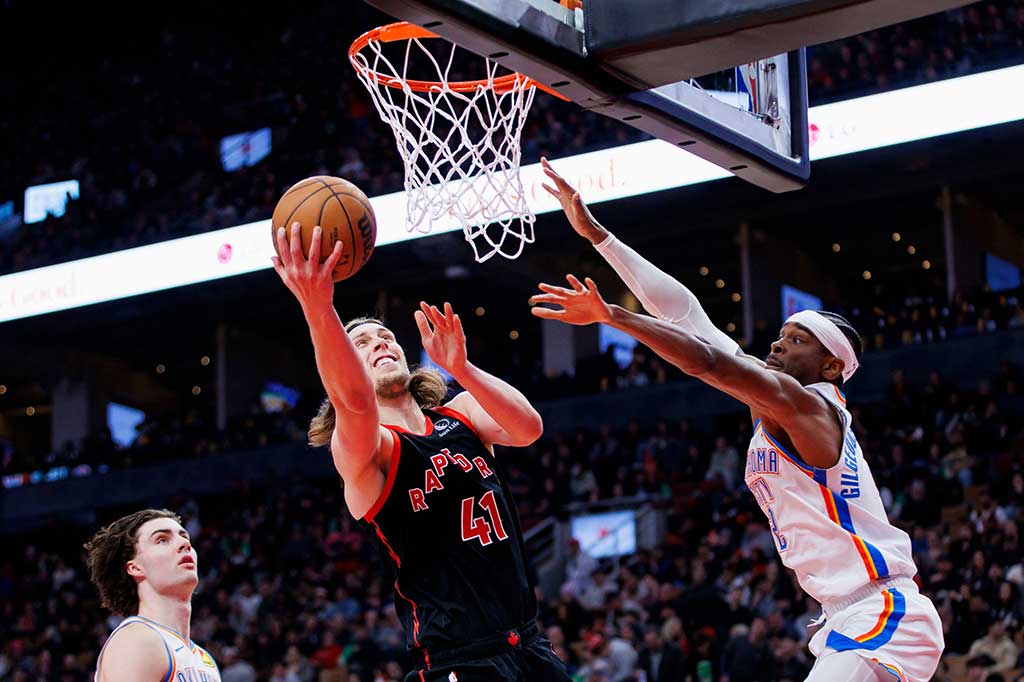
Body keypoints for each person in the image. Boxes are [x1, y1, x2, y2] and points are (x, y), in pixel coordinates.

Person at [530, 159, 944, 682]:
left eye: (797, 339)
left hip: (882, 612)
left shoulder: (809, 408)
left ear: (830, 366)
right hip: (847, 615)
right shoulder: (775, 402)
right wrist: (599, 236)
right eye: (781, 334)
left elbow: (706, 361)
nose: (777, 343)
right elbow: (685, 315)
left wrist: (615, 316)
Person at [272, 222, 570, 681]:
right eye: (360, 344)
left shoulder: (461, 413)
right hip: (457, 659)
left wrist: (462, 368)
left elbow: (529, 428)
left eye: (385, 336)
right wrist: (318, 307)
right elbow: (354, 401)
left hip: (529, 644)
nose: (379, 342)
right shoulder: (370, 450)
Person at [85, 508, 221, 681]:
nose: (184, 544)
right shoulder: (138, 640)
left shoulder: (205, 660)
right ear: (135, 568)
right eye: (162, 540)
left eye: (185, 537)